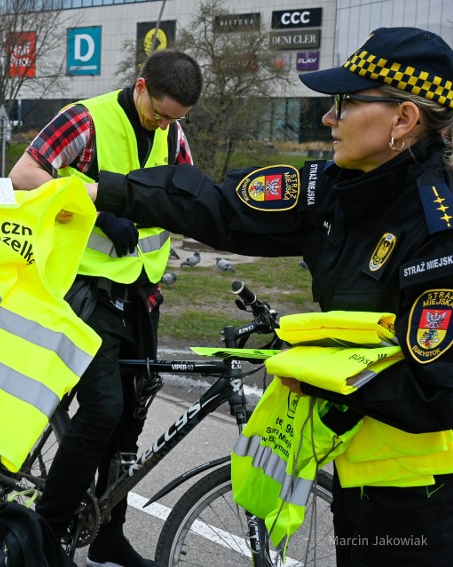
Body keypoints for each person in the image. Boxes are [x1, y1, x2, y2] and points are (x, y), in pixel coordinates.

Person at [87, 27, 453, 567]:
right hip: (352, 469)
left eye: (346, 102)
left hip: (418, 496)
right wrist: (102, 189)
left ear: (403, 120)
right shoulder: (338, 186)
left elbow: (435, 390)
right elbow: (220, 206)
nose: (329, 117)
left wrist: (314, 370)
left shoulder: (436, 231)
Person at [9, 49, 203, 567]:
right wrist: (95, 214)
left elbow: (184, 194)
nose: (165, 125)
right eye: (159, 113)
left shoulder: (173, 133)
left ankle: (108, 534)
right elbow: (25, 175)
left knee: (130, 420)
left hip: (142, 292)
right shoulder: (86, 118)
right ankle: (46, 539)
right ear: (140, 87)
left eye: (175, 119)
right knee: (102, 410)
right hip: (86, 290)